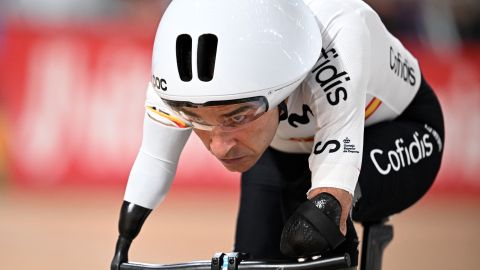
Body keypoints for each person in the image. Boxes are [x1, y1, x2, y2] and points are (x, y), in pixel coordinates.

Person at [111, 0, 445, 268]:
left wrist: (326, 214)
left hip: (399, 129)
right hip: (284, 146)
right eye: (198, 120)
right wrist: (124, 242)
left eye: (237, 116)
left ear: (282, 87)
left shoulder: (337, 34)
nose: (220, 147)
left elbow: (337, 173)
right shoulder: (177, 76)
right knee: (253, 259)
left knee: (315, 222)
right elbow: (156, 158)